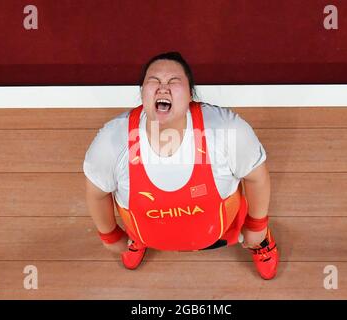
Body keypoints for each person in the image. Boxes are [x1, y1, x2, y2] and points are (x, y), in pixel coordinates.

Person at [83, 52, 279, 280]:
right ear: (142, 93)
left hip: (224, 228)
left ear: (190, 95)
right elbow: (97, 193)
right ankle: (137, 238)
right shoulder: (111, 141)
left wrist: (256, 226)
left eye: (174, 81)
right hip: (144, 229)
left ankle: (260, 243)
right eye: (153, 81)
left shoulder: (227, 130)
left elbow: (256, 177)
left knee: (253, 231)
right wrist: (110, 236)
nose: (162, 88)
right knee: (133, 220)